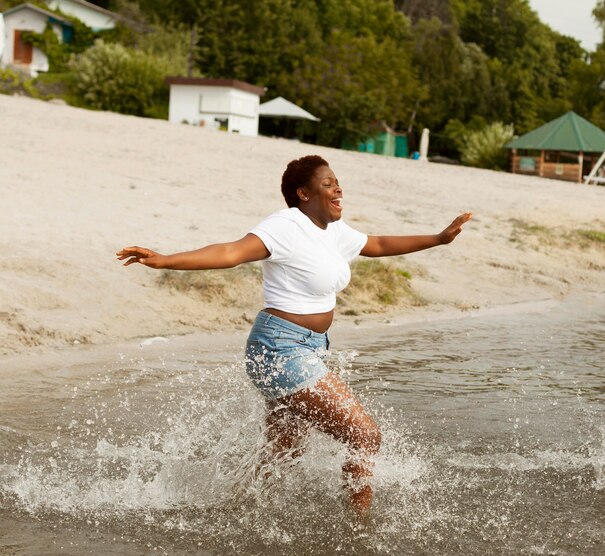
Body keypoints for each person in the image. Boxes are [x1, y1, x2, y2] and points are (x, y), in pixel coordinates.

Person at [117, 155, 471, 517]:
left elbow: (376, 245)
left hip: (307, 349)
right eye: (327, 183)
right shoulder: (284, 226)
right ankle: (359, 530)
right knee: (365, 436)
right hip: (280, 348)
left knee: (286, 450)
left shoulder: (333, 229)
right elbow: (230, 252)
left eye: (337, 182)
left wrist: (439, 239)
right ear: (303, 193)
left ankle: (234, 514)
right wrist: (164, 260)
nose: (338, 188)